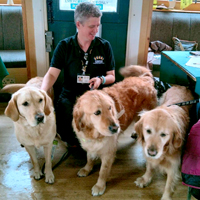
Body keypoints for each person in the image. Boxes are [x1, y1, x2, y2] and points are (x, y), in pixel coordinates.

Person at [41, 2, 115, 147]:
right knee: (65, 114)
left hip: (95, 95)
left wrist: (101, 79)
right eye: (91, 26)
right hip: (70, 93)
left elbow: (111, 76)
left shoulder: (104, 46)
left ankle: (92, 142)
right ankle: (74, 143)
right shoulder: (64, 46)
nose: (96, 30)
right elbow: (52, 74)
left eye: (98, 25)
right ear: (79, 24)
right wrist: (42, 92)